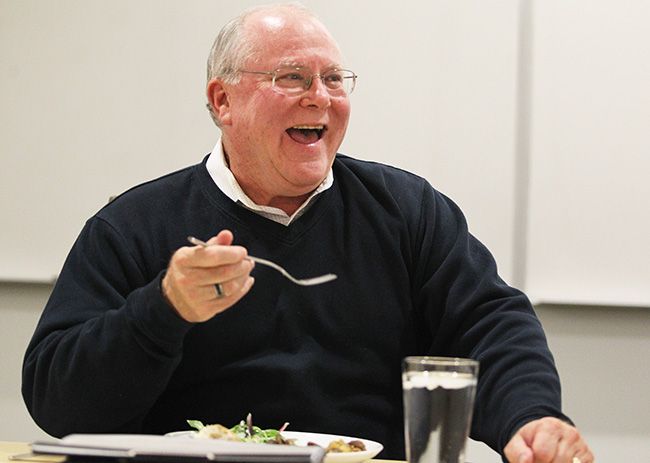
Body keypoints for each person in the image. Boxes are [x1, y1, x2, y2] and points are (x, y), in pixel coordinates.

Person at [22, 3, 593, 463]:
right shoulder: (133, 226)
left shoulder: (406, 211)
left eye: (334, 79)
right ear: (223, 100)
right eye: (291, 77)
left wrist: (530, 417)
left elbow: (489, 325)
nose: (320, 97)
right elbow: (59, 404)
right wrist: (163, 310)